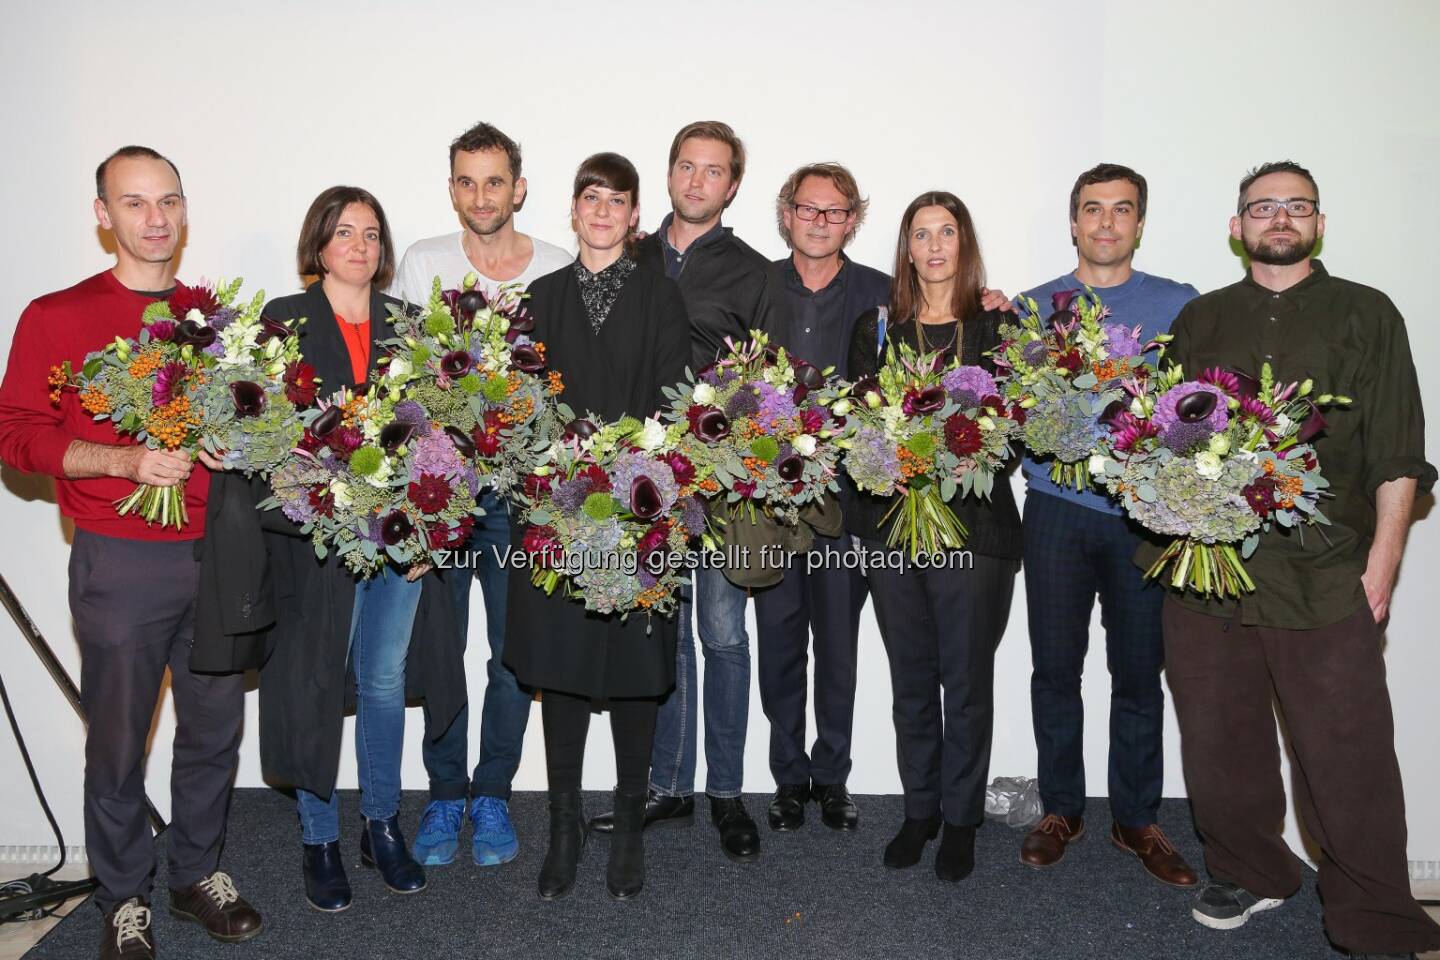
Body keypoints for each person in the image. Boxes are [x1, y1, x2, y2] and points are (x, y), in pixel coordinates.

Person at [1158, 161, 1440, 959]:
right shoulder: (1201, 319)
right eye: (1263, 207)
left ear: (1318, 221)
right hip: (1210, 574)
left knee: (1346, 751)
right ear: (1237, 224)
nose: (1279, 219)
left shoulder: (1366, 313)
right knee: (1219, 739)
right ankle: (1252, 870)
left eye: (1296, 206)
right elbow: (1166, 443)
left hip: (1326, 570)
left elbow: (1397, 448)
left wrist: (1384, 560)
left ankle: (1377, 916)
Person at [0, 146, 262, 960]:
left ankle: (194, 876)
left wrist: (234, 442)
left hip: (215, 557)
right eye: (136, 203)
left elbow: (248, 425)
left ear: (185, 211)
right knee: (117, 741)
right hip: (121, 560)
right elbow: (15, 434)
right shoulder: (56, 314)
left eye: (170, 201)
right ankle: (121, 897)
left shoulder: (210, 319)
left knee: (214, 731)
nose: (156, 219)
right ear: (103, 215)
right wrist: (122, 460)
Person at [503, 152, 690, 901]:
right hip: (560, 514)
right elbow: (519, 406)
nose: (604, 211)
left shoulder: (661, 297)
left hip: (641, 510)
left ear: (635, 214)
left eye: (618, 200)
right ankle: (563, 828)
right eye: (591, 198)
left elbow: (675, 400)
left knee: (638, 675)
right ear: (573, 211)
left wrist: (628, 474)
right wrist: (563, 477)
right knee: (565, 668)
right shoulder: (540, 296)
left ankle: (630, 833)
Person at [258, 186, 451, 912]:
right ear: (318, 244)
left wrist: (432, 529)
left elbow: (440, 435)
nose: (361, 246)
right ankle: (319, 837)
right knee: (315, 681)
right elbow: (270, 434)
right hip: (318, 540)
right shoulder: (285, 320)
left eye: (372, 234)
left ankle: (380, 823)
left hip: (399, 537)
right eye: (345, 232)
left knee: (381, 680)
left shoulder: (408, 323)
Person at [389, 122, 572, 869]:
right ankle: (443, 794)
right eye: (466, 181)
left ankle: (491, 789)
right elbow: (397, 384)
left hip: (521, 499)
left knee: (511, 654)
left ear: (518, 188)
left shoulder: (558, 270)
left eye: (494, 181)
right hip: (442, 496)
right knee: (440, 651)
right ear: (452, 187)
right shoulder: (424, 261)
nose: (480, 196)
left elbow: (569, 388)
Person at [589, 121, 771, 863]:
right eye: (686, 167)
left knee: (723, 635)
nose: (698, 181)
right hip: (643, 480)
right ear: (668, 176)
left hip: (722, 482)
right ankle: (669, 785)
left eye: (714, 171)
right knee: (665, 633)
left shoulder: (756, 273)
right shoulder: (623, 256)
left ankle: (727, 792)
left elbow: (766, 381)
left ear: (732, 186)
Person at [1016, 163, 1199, 887]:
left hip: (1142, 517)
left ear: (1140, 223)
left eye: (1122, 211)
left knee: (1137, 674)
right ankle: (1061, 808)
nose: (1106, 224)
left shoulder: (1180, 305)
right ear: (1073, 221)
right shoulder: (1033, 307)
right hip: (1057, 510)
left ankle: (1136, 819)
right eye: (1093, 210)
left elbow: (1202, 405)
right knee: (1056, 670)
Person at [845, 192, 1022, 883]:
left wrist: (953, 456)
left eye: (947, 232)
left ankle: (962, 818)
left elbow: (1008, 437)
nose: (936, 245)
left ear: (964, 242)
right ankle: (920, 810)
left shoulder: (998, 329)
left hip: (974, 534)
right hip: (894, 529)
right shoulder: (878, 328)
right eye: (922, 234)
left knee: (966, 682)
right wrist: (897, 462)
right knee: (911, 681)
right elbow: (858, 423)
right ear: (907, 248)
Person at [754, 162, 887, 833]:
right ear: (786, 213)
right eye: (808, 209)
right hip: (769, 501)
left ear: (853, 219)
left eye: (835, 212)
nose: (819, 221)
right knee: (778, 642)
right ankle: (786, 777)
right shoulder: (756, 285)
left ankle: (832, 777)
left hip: (846, 504)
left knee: (838, 644)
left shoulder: (883, 294)